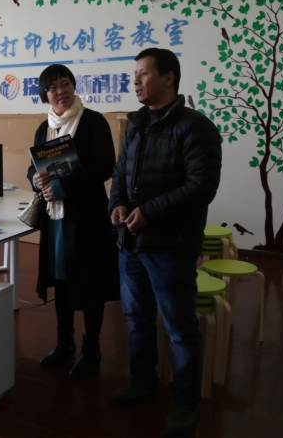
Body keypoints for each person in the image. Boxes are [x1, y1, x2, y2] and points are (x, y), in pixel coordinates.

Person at [107, 48, 222, 438]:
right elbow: (120, 172)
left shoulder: (196, 127)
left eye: (143, 73)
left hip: (170, 245)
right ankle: (143, 381)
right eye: (134, 74)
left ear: (169, 77)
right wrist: (117, 203)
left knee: (179, 327)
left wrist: (150, 213)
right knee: (137, 318)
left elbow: (201, 186)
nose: (135, 81)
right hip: (131, 242)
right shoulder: (136, 125)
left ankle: (186, 403)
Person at [27, 64, 119, 379]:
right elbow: (33, 167)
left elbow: (105, 166)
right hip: (56, 219)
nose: (61, 91)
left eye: (66, 84)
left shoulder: (93, 122)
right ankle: (63, 343)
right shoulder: (44, 128)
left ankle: (91, 349)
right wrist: (35, 180)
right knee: (61, 278)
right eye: (53, 87)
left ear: (74, 86)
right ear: (45, 94)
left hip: (88, 217)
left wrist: (62, 186)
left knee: (90, 281)